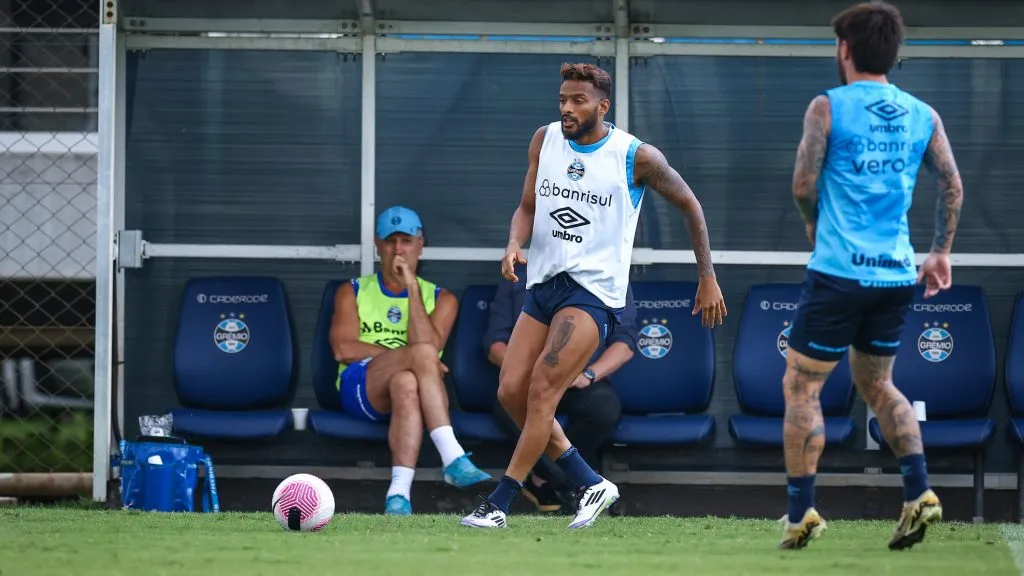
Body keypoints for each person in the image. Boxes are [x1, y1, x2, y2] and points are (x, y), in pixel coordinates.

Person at [460, 62, 727, 530]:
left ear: (603, 106)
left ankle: (499, 502)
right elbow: (526, 207)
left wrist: (707, 276)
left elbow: (691, 205)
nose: (567, 108)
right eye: (563, 99)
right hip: (543, 287)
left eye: (578, 100)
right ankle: (589, 481)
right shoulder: (544, 139)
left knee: (542, 393)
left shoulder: (635, 156)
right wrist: (513, 243)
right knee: (510, 392)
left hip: (593, 295)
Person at [779, 1, 962, 551]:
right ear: (894, 53)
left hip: (838, 274)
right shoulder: (923, 114)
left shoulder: (827, 107)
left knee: (802, 385)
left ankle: (800, 513)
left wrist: (813, 225)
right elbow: (952, 186)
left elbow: (803, 185)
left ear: (845, 49)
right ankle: (919, 492)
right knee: (879, 383)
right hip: (895, 275)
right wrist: (939, 253)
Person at [330, 205, 491, 516]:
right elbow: (343, 349)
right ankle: (453, 457)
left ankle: (398, 494)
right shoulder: (351, 291)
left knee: (406, 379)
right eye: (390, 242)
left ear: (421, 244)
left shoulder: (442, 298)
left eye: (406, 240)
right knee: (421, 356)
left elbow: (428, 345)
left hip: (414, 391)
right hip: (361, 387)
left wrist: (412, 289)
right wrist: (411, 357)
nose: (398, 250)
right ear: (378, 246)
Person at [484, 261, 635, 513]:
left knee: (604, 408)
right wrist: (533, 372)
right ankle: (579, 482)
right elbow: (494, 341)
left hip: (582, 380)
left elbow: (626, 341)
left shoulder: (608, 269)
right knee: (508, 400)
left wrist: (588, 373)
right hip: (531, 378)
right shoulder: (522, 271)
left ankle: (552, 482)